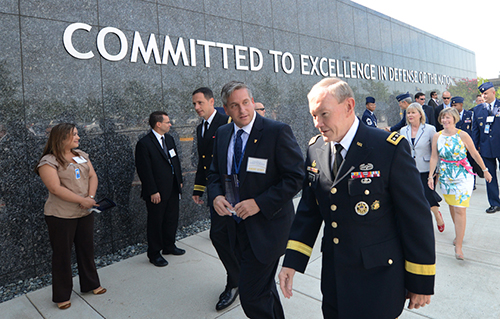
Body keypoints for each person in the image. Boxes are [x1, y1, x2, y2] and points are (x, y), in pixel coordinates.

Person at [279, 78, 435, 318]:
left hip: (377, 279)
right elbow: (310, 210)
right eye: (313, 115)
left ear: (349, 106)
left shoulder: (387, 148)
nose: (318, 123)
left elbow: (416, 217)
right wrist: (292, 259)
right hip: (334, 277)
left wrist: (420, 280)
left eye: (324, 114)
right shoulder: (315, 148)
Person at [207, 81, 304, 319]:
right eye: (234, 105)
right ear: (225, 109)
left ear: (252, 101)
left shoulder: (276, 131)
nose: (242, 110)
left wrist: (259, 203)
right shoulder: (222, 134)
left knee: (251, 297)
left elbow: (296, 177)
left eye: (246, 102)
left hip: (266, 229)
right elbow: (213, 173)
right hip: (234, 227)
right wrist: (216, 195)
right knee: (263, 289)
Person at [35, 123, 106, 310]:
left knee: (86, 249)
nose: (78, 137)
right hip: (60, 216)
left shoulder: (81, 155)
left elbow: (93, 176)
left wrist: (90, 198)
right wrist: (81, 201)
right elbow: (54, 188)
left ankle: (91, 284)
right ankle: (62, 295)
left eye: (77, 134)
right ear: (61, 138)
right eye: (74, 134)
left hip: (84, 212)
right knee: (62, 255)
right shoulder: (48, 161)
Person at [191, 87, 240, 311]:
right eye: (194, 104)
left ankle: (236, 281)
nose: (197, 108)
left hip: (235, 193)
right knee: (219, 236)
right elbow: (204, 162)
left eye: (200, 103)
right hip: (216, 193)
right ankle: (236, 277)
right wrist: (198, 189)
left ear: (212, 102)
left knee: (232, 237)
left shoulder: (227, 120)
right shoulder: (201, 128)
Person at [428, 107, 492, 259]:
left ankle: (459, 246)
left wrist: (485, 169)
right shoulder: (437, 136)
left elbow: (474, 153)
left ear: (455, 119)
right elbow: (434, 157)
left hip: (463, 175)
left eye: (448, 117)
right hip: (445, 177)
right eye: (443, 118)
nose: (445, 120)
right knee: (452, 206)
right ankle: (459, 234)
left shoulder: (463, 135)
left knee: (460, 209)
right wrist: (431, 176)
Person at [135, 111, 184, 267]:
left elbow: (175, 160)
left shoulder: (169, 139)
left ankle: (169, 246)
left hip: (173, 187)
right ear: (158, 124)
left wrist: (179, 180)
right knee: (156, 222)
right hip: (157, 191)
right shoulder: (144, 143)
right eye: (168, 122)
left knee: (171, 218)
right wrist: (152, 191)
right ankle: (154, 253)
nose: (170, 124)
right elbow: (144, 170)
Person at [401, 103, 444, 232]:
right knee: (414, 197)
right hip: (409, 169)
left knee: (428, 194)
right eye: (408, 113)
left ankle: (437, 215)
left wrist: (436, 171)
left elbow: (436, 151)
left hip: (426, 168)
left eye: (413, 112)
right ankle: (421, 224)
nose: (410, 115)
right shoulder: (404, 130)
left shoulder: (430, 129)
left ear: (420, 114)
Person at [472, 82, 500, 213]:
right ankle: (494, 203)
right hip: (485, 148)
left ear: (493, 92)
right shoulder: (477, 110)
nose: (484, 96)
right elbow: (475, 131)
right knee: (490, 176)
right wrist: (474, 148)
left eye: (486, 93)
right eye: (482, 94)